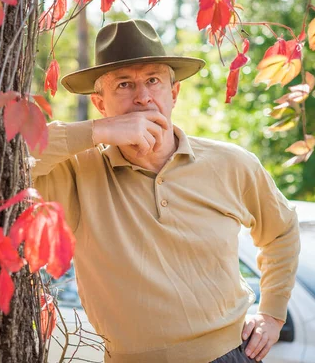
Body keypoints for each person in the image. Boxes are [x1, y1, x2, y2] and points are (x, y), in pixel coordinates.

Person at [31, 19, 300, 363]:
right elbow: (5, 155)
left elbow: (282, 232)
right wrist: (97, 131)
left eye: (153, 81)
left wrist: (273, 314)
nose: (143, 98)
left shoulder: (232, 163)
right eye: (124, 85)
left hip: (229, 354)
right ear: (100, 104)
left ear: (173, 93)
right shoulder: (76, 171)